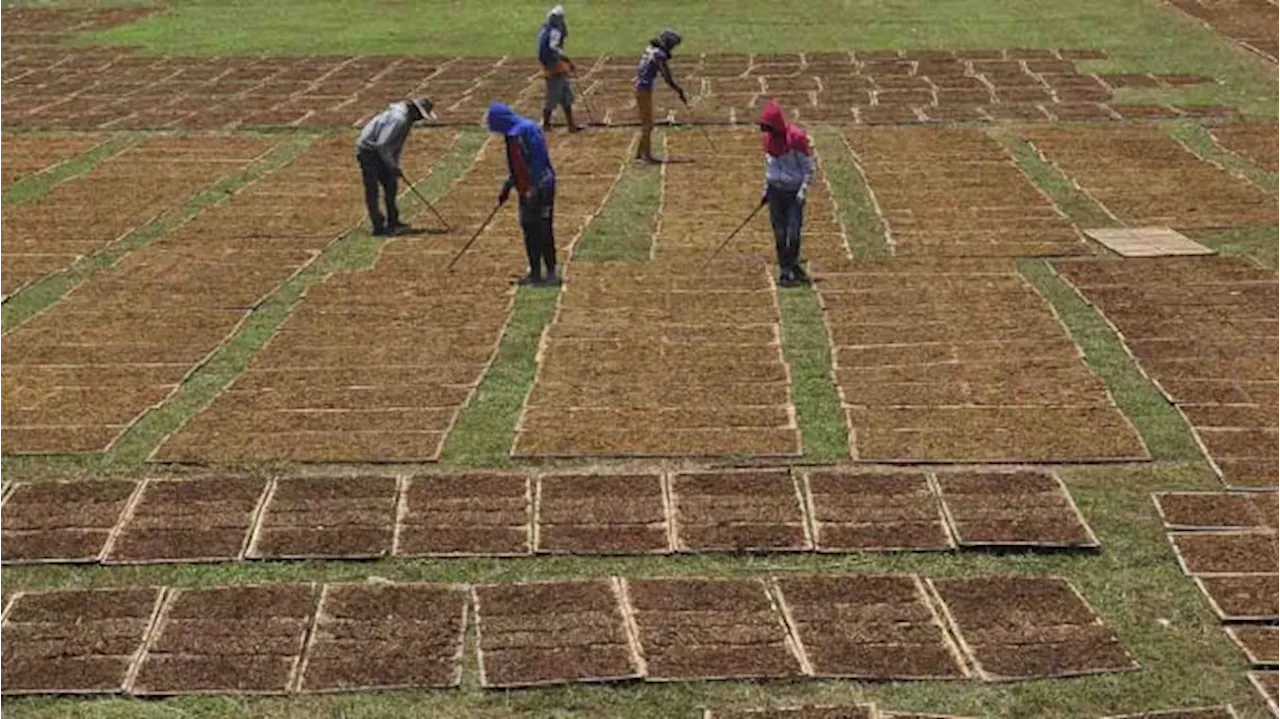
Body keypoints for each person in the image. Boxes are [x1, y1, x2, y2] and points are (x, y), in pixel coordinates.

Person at [487, 102, 560, 286]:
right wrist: (508, 185)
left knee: (544, 229)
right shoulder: (510, 136)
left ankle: (551, 272)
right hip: (524, 189)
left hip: (541, 187)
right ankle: (535, 272)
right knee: (529, 229)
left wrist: (534, 189)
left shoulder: (528, 130)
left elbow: (538, 160)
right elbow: (518, 165)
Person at [355, 98, 436, 236]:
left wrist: (394, 164)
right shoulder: (399, 120)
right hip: (369, 152)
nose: (419, 120)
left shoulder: (406, 118)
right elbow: (382, 144)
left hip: (381, 152)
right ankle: (378, 227)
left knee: (391, 186)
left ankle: (393, 221)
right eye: (420, 117)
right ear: (415, 112)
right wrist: (392, 165)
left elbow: (393, 145)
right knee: (372, 190)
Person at [759, 98, 814, 286]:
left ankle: (793, 264)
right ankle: (785, 270)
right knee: (780, 233)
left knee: (793, 232)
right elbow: (770, 168)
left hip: (793, 194)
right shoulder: (768, 141)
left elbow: (808, 169)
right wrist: (766, 190)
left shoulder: (796, 139)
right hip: (776, 192)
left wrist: (802, 191)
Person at [634, 29, 686, 163]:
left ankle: (640, 154)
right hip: (643, 89)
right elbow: (666, 76)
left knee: (647, 123)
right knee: (648, 124)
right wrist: (678, 90)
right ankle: (646, 156)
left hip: (641, 87)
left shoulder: (651, 49)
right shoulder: (659, 55)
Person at [537, 5, 582, 132]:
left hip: (557, 67)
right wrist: (568, 60)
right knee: (553, 96)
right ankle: (546, 124)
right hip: (554, 68)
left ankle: (571, 124)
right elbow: (554, 48)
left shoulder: (546, 29)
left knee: (566, 95)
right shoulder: (554, 32)